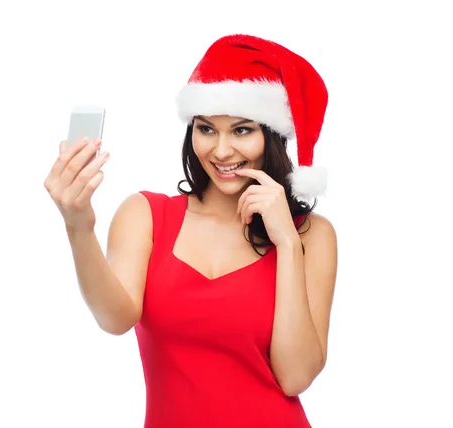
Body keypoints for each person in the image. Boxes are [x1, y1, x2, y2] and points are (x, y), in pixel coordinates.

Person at [45, 34, 338, 428]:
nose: (220, 150)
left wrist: (286, 240)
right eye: (206, 129)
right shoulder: (146, 215)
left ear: (271, 134)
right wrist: (79, 226)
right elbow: (115, 319)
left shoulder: (312, 236)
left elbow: (295, 376)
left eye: (241, 130)